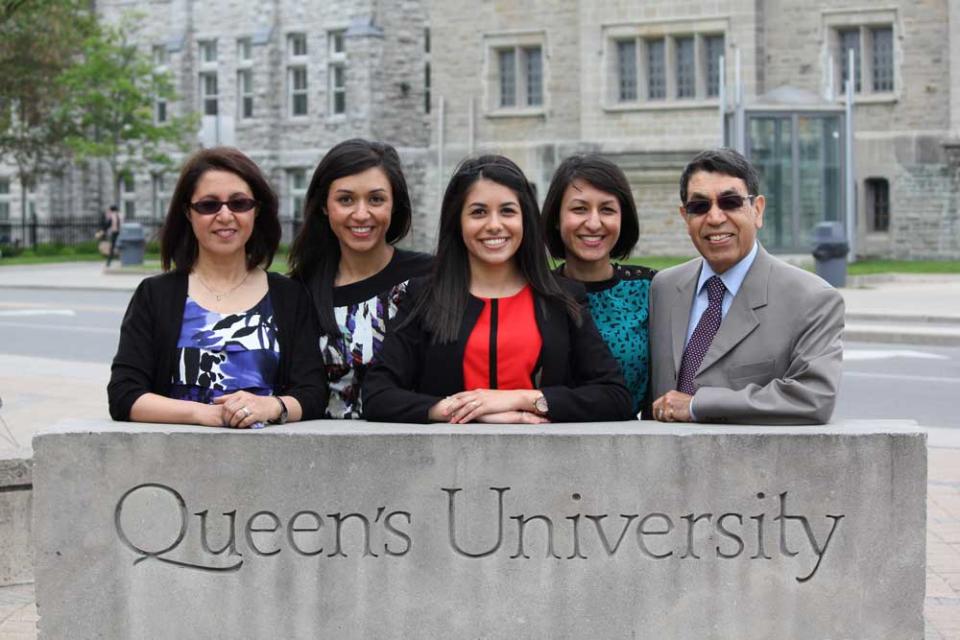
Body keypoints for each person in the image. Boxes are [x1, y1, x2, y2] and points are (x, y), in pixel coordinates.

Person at [362, 155, 633, 424]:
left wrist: (523, 400)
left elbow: (614, 396)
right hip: (447, 461)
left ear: (525, 219)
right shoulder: (424, 296)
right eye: (478, 212)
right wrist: (463, 410)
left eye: (507, 211)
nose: (494, 225)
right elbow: (377, 394)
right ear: (458, 221)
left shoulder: (561, 298)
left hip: (544, 460)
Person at [108, 147, 327, 427]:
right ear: (188, 212)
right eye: (209, 205)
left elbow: (313, 393)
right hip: (175, 461)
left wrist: (270, 406)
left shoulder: (289, 296)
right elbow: (124, 395)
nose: (225, 216)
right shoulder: (155, 295)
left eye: (239, 203)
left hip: (270, 463)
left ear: (256, 210)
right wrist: (205, 413)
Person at [649, 148, 843, 425]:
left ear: (758, 210)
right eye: (700, 206)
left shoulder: (812, 299)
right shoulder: (664, 288)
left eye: (730, 202)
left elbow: (813, 397)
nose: (715, 218)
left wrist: (696, 405)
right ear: (685, 217)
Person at [288, 139, 432, 419]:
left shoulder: (429, 278)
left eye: (376, 199)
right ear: (324, 206)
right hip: (319, 451)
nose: (362, 214)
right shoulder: (299, 290)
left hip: (414, 446)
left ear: (394, 204)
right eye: (346, 200)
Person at [542, 154, 655, 416]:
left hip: (634, 444)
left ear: (622, 218)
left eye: (607, 210)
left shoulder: (651, 289)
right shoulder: (537, 292)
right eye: (579, 209)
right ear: (557, 217)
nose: (593, 223)